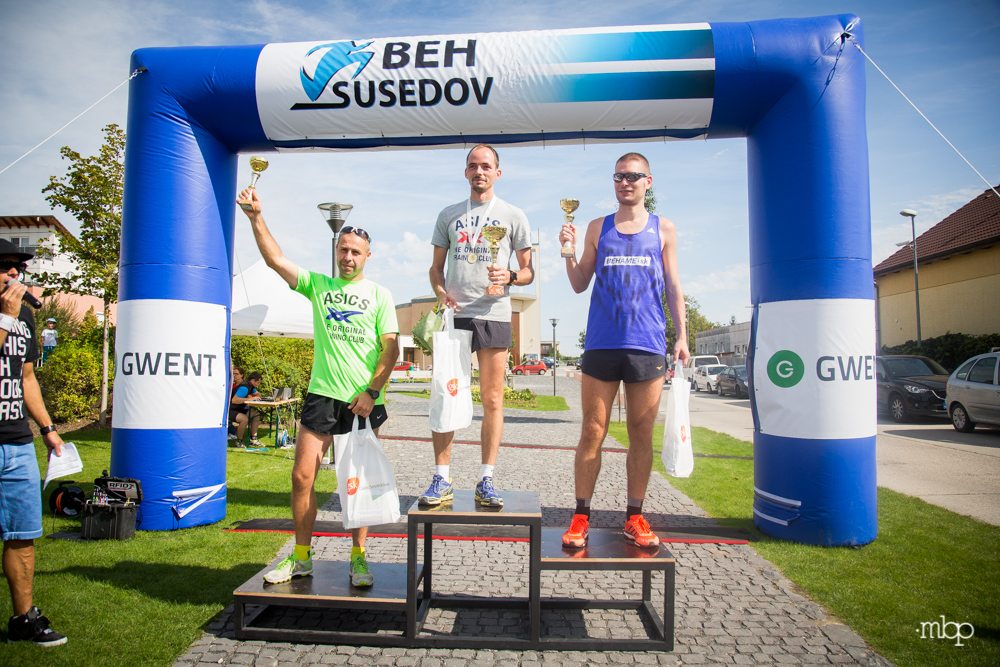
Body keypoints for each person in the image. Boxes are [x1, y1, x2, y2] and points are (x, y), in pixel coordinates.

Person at [238, 186, 399, 588]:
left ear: (367, 256)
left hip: (362, 402)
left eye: (356, 252)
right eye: (343, 250)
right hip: (322, 396)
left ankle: (358, 557)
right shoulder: (319, 286)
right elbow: (275, 260)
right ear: (336, 252)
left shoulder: (380, 295)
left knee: (358, 484)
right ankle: (301, 557)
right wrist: (256, 217)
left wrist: (372, 392)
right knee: (302, 477)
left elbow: (391, 349)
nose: (348, 257)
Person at [557, 152, 690, 549]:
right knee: (592, 430)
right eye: (618, 177)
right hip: (602, 342)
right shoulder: (597, 227)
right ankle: (581, 517)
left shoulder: (664, 228)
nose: (625, 182)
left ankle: (634, 517)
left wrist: (682, 337)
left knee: (641, 432)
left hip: (647, 345)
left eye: (633, 176)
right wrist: (567, 251)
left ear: (648, 181)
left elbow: (673, 286)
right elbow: (579, 283)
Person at [422, 144, 534, 509]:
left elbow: (529, 272)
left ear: (497, 172)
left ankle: (486, 479)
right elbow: (435, 268)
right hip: (455, 315)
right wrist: (441, 293)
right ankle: (442, 478)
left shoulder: (513, 215)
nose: (479, 171)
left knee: (493, 399)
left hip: (494, 312)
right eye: (473, 166)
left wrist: (511, 276)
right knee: (446, 394)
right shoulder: (449, 215)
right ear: (466, 172)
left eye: (486, 166)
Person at [0, 239, 67, 646]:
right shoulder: (11, 313)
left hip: (16, 439)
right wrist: (5, 318)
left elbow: (26, 377)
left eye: (18, 267)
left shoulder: (23, 315)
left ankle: (23, 618)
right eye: (4, 266)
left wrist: (47, 427)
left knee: (22, 534)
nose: (14, 274)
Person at [229, 370, 263, 447]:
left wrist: (256, 397)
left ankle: (253, 438)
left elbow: (258, 394)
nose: (258, 385)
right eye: (257, 383)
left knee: (256, 414)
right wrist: (250, 399)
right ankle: (239, 441)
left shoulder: (251, 386)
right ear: (252, 380)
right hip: (231, 410)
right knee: (244, 419)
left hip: (239, 409)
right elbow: (234, 400)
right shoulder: (244, 388)